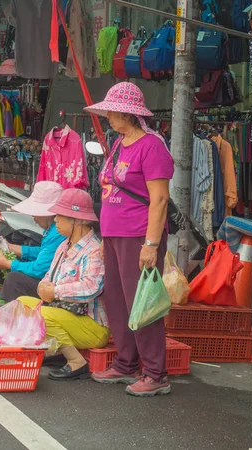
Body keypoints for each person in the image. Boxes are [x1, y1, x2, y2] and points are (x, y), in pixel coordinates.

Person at [84, 82, 174, 397]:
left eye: (112, 110)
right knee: (118, 302)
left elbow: (160, 199)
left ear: (127, 113)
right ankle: (126, 362)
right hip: (113, 233)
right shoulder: (121, 141)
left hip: (138, 235)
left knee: (143, 302)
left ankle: (155, 372)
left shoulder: (152, 145)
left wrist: (150, 245)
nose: (108, 115)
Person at [18, 189, 109, 381]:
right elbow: (49, 276)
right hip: (66, 315)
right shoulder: (63, 246)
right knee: (21, 303)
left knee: (41, 315)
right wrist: (43, 287)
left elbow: (92, 287)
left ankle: (77, 362)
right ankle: (55, 352)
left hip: (92, 326)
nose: (56, 220)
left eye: (60, 216)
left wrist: (56, 292)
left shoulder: (93, 250)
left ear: (77, 220)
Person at [0, 181, 66, 301]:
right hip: (53, 278)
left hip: (57, 285)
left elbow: (39, 269)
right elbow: (44, 251)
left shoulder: (58, 232)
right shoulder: (53, 229)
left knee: (14, 280)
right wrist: (10, 247)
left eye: (35, 213)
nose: (34, 218)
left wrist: (8, 263)